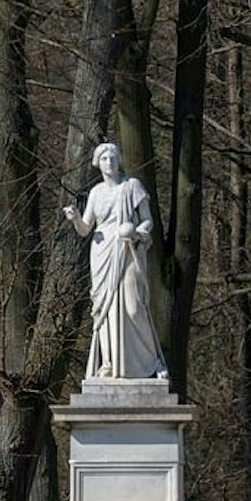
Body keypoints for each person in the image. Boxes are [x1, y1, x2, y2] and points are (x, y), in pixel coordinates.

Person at [64, 142, 168, 381]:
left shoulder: (132, 186)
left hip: (128, 248)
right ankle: (110, 363)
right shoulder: (96, 192)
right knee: (106, 309)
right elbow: (85, 229)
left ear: (119, 160)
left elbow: (148, 220)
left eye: (112, 157)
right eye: (104, 159)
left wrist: (137, 232)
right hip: (102, 252)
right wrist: (76, 218)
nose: (109, 162)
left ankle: (152, 363)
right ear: (98, 164)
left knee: (133, 306)